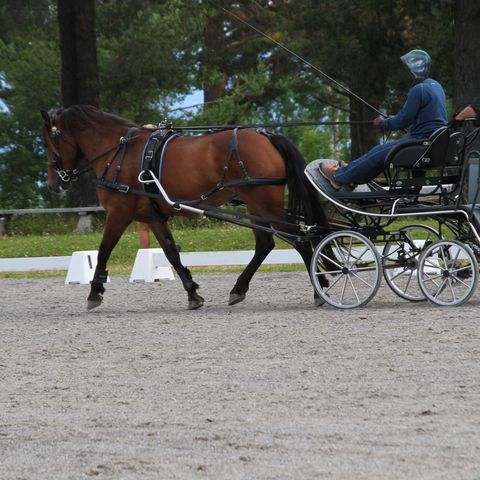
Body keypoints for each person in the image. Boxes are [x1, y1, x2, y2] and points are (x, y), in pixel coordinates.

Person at [319, 49, 448, 189]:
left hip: (421, 141)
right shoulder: (436, 86)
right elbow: (426, 116)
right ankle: (351, 170)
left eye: (407, 68)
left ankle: (338, 177)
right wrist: (396, 118)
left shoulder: (418, 90)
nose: (405, 72)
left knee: (378, 153)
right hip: (434, 141)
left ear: (414, 69)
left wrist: (383, 123)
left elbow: (402, 121)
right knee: (380, 153)